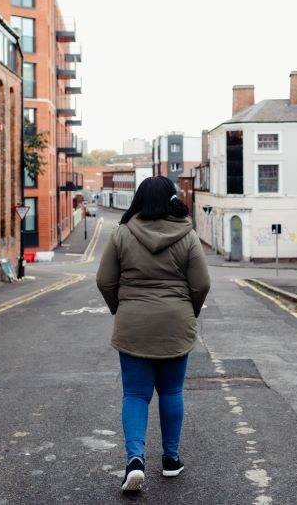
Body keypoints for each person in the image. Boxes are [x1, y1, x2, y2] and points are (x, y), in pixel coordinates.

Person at [96, 176, 211, 493]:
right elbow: (201, 284)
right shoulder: (188, 237)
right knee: (172, 392)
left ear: (139, 201)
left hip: (134, 325)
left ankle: (135, 460)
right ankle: (171, 460)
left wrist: (122, 308)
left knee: (135, 394)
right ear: (171, 200)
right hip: (177, 323)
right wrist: (190, 311)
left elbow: (105, 280)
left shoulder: (121, 234)